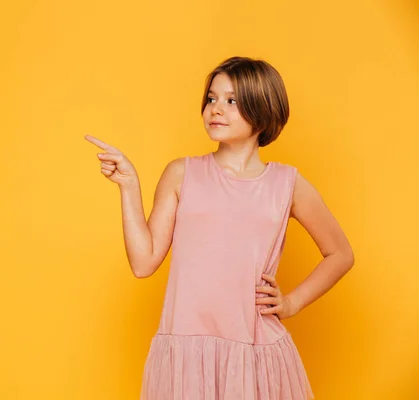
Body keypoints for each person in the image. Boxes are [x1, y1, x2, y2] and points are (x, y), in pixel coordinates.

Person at [84, 56, 354, 399]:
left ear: (264, 110)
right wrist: (129, 186)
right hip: (187, 353)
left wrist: (292, 303)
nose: (216, 109)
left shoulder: (288, 184)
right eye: (212, 98)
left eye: (232, 101)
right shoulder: (182, 173)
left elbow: (340, 254)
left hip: (254, 350)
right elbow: (143, 262)